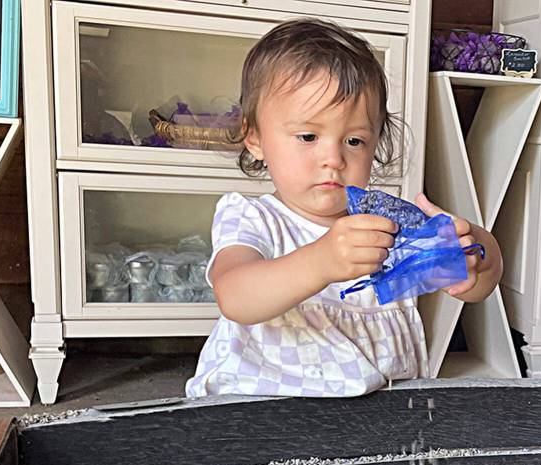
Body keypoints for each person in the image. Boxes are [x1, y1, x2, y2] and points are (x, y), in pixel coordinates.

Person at [185, 19, 503, 398]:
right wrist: (321, 261)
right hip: (262, 410)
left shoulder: (385, 225)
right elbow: (235, 296)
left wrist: (473, 254)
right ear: (254, 138)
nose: (333, 158)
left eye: (354, 140)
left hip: (374, 416)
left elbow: (480, 286)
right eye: (308, 136)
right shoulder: (255, 218)